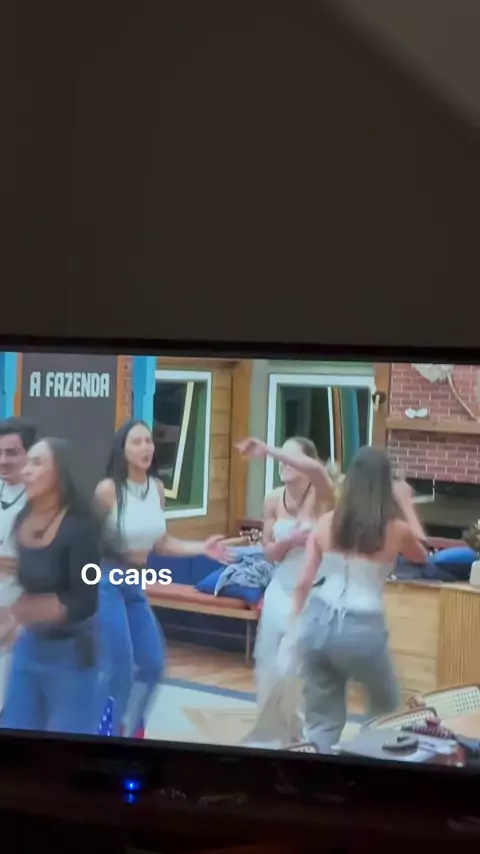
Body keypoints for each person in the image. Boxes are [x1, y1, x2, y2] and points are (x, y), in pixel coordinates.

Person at [94, 419, 233, 739]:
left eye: (148, 441)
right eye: (137, 442)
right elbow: (86, 542)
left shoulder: (156, 489)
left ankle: (132, 725)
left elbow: (162, 543)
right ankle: (105, 731)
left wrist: (203, 548)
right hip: (106, 579)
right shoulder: (108, 490)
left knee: (153, 663)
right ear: (122, 450)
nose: (146, 447)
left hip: (135, 581)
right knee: (119, 668)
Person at [291, 446, 428, 752]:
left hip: (317, 621)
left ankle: (314, 771)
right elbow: (422, 554)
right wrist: (406, 504)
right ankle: (368, 765)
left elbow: (303, 582)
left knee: (322, 721)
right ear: (385, 486)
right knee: (386, 710)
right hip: (362, 627)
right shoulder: (396, 530)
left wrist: (293, 623)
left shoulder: (326, 522)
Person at [0, 438, 102, 734]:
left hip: (71, 657)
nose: (25, 470)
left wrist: (27, 611)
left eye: (37, 463)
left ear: (60, 474)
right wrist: (13, 622)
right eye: (28, 462)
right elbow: (27, 583)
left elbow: (86, 601)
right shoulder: (23, 518)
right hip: (29, 649)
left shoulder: (82, 527)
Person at [235, 436, 335, 716]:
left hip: (312, 592)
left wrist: (268, 450)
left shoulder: (322, 494)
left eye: (290, 457)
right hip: (280, 589)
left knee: (293, 665)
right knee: (268, 664)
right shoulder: (272, 499)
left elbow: (318, 470)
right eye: (281, 458)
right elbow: (269, 554)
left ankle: (298, 727)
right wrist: (287, 542)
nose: (284, 463)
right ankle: (271, 723)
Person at [0, 418, 38, 705]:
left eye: (12, 453)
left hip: (21, 615)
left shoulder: (43, 503)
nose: (3, 460)